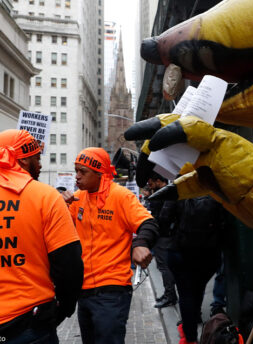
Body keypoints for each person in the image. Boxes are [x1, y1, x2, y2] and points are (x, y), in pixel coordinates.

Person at [61, 147, 159, 344]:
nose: (77, 176)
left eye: (83, 171)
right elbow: (60, 229)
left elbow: (149, 223)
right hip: (84, 290)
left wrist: (139, 243)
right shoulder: (78, 199)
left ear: (99, 174)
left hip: (112, 292)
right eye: (76, 170)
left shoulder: (121, 196)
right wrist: (60, 204)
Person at [0, 129, 83, 343]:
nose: (41, 165)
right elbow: (69, 264)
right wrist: (64, 308)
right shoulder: (46, 197)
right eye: (37, 157)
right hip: (29, 322)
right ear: (25, 160)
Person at [168, 195, 226, 344]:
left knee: (186, 294)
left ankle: (190, 338)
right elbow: (225, 224)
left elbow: (163, 220)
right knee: (198, 289)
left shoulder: (180, 189)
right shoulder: (215, 191)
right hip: (208, 254)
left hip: (181, 252)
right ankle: (195, 318)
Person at [147, 172, 178, 308]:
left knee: (164, 267)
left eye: (151, 183)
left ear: (158, 181)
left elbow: (164, 217)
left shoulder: (166, 195)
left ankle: (170, 296)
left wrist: (153, 218)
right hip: (164, 235)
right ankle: (169, 294)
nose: (149, 186)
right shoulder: (165, 194)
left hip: (164, 236)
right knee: (164, 266)